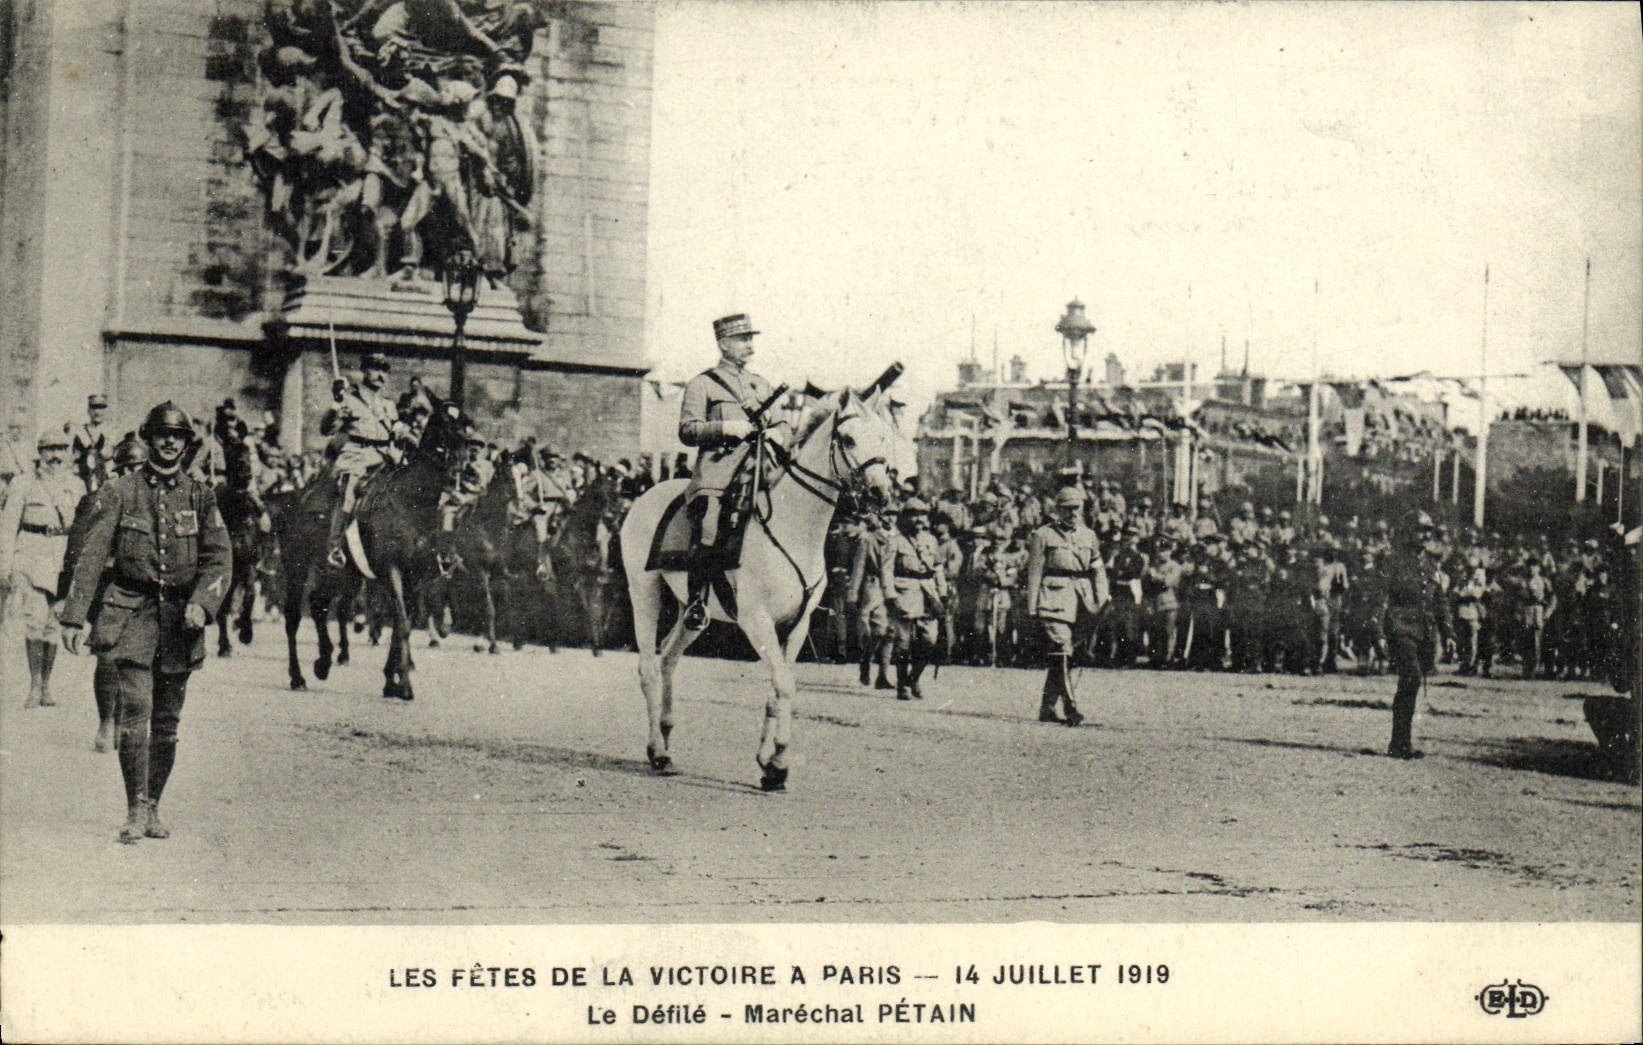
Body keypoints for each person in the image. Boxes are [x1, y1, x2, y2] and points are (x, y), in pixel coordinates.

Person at [58, 402, 232, 842]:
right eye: (161, 435)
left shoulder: (200, 495)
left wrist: (202, 605)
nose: (170, 442)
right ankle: (134, 808)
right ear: (148, 439)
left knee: (168, 723)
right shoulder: (120, 491)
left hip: (180, 623)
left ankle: (153, 804)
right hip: (130, 614)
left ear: (186, 443)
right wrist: (74, 616)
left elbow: (219, 559)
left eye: (177, 436)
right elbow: (92, 554)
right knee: (135, 713)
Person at [676, 313, 788, 630]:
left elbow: (782, 424)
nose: (749, 345)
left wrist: (781, 434)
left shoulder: (761, 385)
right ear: (723, 344)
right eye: (742, 339)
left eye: (751, 338)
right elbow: (687, 430)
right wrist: (726, 427)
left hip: (760, 469)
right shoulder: (703, 384)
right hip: (718, 474)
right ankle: (696, 602)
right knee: (709, 527)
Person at [62, 433, 150, 751]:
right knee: (108, 658)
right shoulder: (98, 499)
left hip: (144, 590)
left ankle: (130, 720)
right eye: (128, 466)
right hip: (108, 588)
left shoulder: (155, 501)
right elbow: (77, 554)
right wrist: (70, 601)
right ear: (117, 469)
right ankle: (106, 721)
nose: (134, 472)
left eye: (140, 465)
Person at [0, 429, 86, 707]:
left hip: (62, 558)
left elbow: (82, 529)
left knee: (53, 624)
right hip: (32, 555)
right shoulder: (24, 484)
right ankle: (34, 684)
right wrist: (5, 565)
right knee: (35, 620)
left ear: (69, 453)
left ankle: (47, 684)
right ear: (40, 453)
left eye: (61, 449)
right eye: (49, 449)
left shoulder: (76, 485)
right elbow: (8, 526)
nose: (55, 456)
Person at [1025, 485, 1108, 726]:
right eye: (1067, 509)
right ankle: (1071, 707)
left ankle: (1047, 707)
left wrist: (1102, 598)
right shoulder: (1043, 535)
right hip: (1053, 597)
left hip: (1081, 599)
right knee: (1061, 647)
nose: (1073, 513)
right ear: (1057, 510)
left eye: (1077, 508)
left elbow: (1098, 569)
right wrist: (1033, 608)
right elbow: (1034, 573)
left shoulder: (1089, 536)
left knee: (1065, 655)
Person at [326, 353, 400, 566]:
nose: (381, 375)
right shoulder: (349, 398)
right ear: (365, 371)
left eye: (385, 370)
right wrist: (336, 404)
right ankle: (336, 547)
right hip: (356, 457)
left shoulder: (388, 405)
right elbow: (327, 429)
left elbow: (395, 429)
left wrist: (404, 433)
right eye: (376, 369)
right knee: (349, 494)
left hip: (384, 459)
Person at [1381, 517, 1440, 760]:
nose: (1426, 535)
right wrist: (1378, 632)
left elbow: (1439, 598)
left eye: (1429, 531)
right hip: (1400, 626)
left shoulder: (1429, 563)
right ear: (1409, 532)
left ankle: (1402, 742)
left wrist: (1448, 633)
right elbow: (1381, 596)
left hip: (1422, 630)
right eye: (1421, 530)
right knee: (1411, 677)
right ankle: (1399, 743)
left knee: (1410, 682)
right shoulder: (1394, 560)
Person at [881, 498, 948, 700]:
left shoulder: (931, 540)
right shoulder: (895, 541)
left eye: (922, 515)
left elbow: (937, 568)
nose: (919, 519)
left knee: (929, 639)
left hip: (928, 593)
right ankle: (903, 685)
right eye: (914, 515)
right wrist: (890, 595)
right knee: (903, 642)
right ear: (905, 518)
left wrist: (942, 592)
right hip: (905, 593)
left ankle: (913, 678)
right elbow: (886, 569)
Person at [69, 393, 113, 492]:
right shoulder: (79, 432)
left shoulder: (112, 432)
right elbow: (71, 458)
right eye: (93, 408)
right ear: (88, 410)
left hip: (106, 478)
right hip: (83, 478)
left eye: (101, 408)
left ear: (106, 410)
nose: (97, 412)